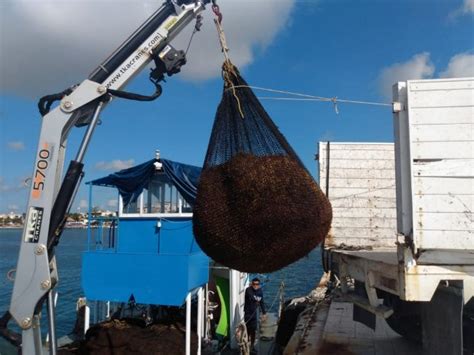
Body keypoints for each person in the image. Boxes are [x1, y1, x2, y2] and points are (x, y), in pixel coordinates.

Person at [244, 277, 267, 350]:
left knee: (253, 330)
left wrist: (264, 313)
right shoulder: (248, 290)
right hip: (247, 313)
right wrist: (256, 299)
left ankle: (252, 345)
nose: (255, 285)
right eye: (254, 284)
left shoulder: (260, 291)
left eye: (257, 284)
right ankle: (246, 343)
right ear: (251, 284)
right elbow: (251, 296)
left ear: (259, 284)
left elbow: (261, 302)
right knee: (247, 329)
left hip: (254, 314)